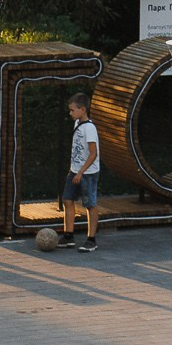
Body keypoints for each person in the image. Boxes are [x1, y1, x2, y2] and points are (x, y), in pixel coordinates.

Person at [61, 89, 100, 251]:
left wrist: (80, 172)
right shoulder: (77, 124)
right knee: (67, 200)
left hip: (87, 173)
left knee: (89, 204)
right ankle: (68, 235)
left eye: (73, 110)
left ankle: (91, 239)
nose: (70, 113)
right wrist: (74, 170)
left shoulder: (89, 128)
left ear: (82, 109)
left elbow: (93, 153)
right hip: (75, 170)